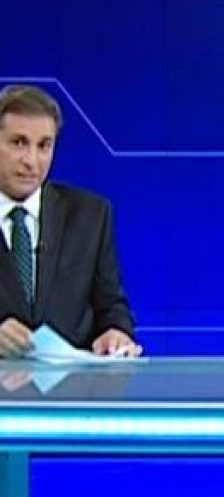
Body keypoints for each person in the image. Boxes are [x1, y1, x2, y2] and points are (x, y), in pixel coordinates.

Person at [0, 84, 141, 358]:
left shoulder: (91, 215)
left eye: (44, 146)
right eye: (18, 143)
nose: (31, 161)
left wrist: (115, 333)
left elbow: (111, 307)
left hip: (71, 383)